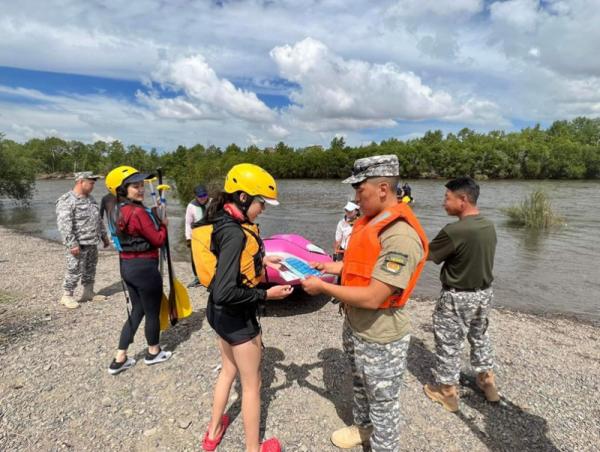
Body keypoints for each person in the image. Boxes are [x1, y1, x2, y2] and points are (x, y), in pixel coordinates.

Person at [301, 155, 429, 452]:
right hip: (356, 324)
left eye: (361, 191)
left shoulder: (400, 234)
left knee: (383, 404)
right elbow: (359, 266)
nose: (356, 198)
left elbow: (375, 295)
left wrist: (322, 288)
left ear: (383, 188)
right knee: (360, 384)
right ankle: (362, 427)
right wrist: (327, 268)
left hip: (381, 333)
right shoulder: (370, 221)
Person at [191, 163, 292, 452]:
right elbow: (226, 291)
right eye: (261, 202)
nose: (263, 209)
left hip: (217, 316)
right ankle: (253, 448)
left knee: (227, 370)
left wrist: (264, 261)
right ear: (244, 197)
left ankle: (212, 434)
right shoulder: (235, 233)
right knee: (252, 385)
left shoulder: (221, 220)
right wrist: (266, 296)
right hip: (236, 318)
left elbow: (229, 265)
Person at [423, 176, 500, 411]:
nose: (443, 203)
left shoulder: (454, 230)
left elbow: (426, 254)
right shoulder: (489, 225)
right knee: (479, 336)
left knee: (448, 343)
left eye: (447, 198)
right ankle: (488, 383)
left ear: (463, 199)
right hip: (484, 294)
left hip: (457, 297)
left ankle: (447, 392)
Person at [105, 165, 172, 375]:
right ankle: (153, 352)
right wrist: (163, 224)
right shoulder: (137, 212)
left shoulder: (116, 209)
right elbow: (159, 240)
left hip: (127, 267)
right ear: (122, 189)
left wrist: (153, 215)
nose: (141, 189)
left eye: (142, 185)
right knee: (151, 312)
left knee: (137, 310)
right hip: (144, 269)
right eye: (135, 186)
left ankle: (120, 357)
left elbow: (134, 231)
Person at [56, 171, 110, 309]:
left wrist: (104, 236)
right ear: (81, 181)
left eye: (93, 183)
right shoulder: (67, 200)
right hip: (78, 244)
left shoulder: (90, 199)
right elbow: (64, 225)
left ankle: (88, 293)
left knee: (90, 268)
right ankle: (67, 296)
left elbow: (97, 219)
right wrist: (72, 243)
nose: (93, 186)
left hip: (92, 241)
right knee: (74, 269)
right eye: (91, 183)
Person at [185, 184, 210, 287]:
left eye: (204, 195)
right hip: (197, 235)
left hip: (210, 233)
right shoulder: (191, 206)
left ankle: (211, 276)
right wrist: (188, 238)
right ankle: (197, 278)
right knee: (195, 257)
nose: (203, 198)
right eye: (200, 196)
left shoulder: (213, 203)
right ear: (195, 196)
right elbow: (187, 223)